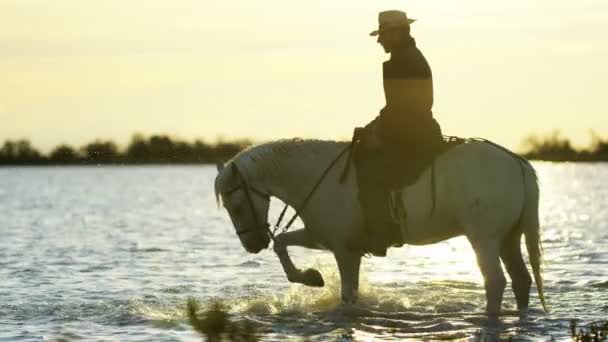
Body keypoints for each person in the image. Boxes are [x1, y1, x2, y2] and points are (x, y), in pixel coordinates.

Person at [352, 10, 444, 256]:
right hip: (411, 132)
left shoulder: (405, 61)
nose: (379, 40)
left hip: (413, 138)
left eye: (383, 35)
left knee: (370, 170)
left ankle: (382, 233)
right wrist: (373, 126)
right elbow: (396, 107)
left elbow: (408, 108)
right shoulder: (405, 57)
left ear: (397, 33)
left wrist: (379, 137)